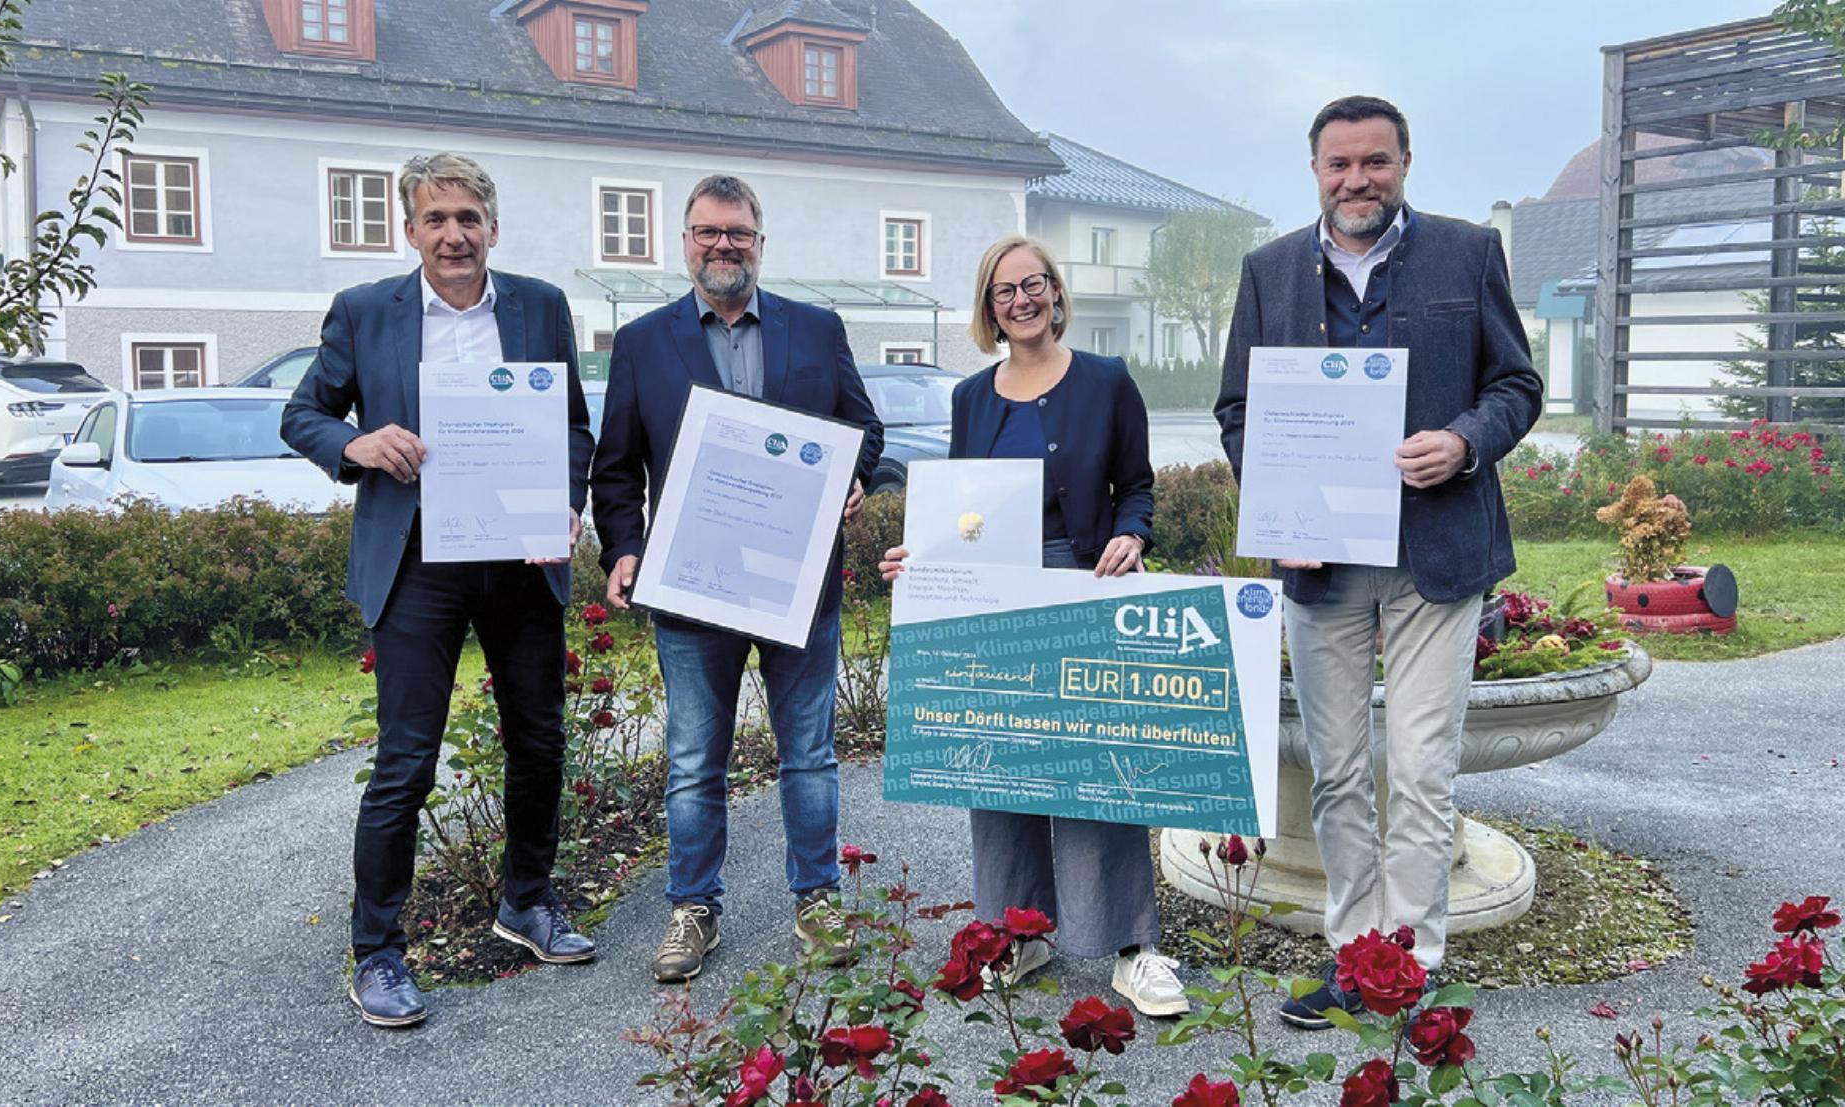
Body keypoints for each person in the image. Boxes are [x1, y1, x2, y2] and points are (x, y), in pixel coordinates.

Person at [1214, 96, 1543, 1029]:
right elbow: (1239, 409)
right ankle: (1355, 954)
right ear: (1314, 169)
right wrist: (1278, 496)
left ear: (1405, 162)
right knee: (1338, 771)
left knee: (1425, 766)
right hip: (1322, 565)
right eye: (1338, 165)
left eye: (1375, 162)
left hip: (1437, 553)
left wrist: (1466, 443)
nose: (1357, 180)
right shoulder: (1271, 269)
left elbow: (1516, 384)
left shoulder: (1467, 251)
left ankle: (1412, 961)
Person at [282, 152, 597, 1027]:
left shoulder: (540, 305)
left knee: (538, 739)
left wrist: (564, 502)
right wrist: (359, 443)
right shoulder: (364, 313)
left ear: (492, 226)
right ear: (408, 229)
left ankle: (526, 903)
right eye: (436, 218)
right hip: (418, 558)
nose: (454, 234)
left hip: (520, 556)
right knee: (405, 760)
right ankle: (377, 951)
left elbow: (573, 424)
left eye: (468, 217)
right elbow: (301, 413)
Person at [877, 235, 1187, 1018]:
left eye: (1034, 284)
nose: (1021, 300)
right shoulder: (971, 399)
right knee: (1001, 765)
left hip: (1082, 581)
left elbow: (1138, 488)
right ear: (988, 307)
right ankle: (1020, 932)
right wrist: (919, 561)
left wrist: (1133, 533)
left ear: (1055, 291)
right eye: (1004, 291)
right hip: (995, 593)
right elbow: (957, 508)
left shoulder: (1108, 382)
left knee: (1096, 764)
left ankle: (1131, 948)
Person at [588, 174, 883, 983]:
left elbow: (863, 428)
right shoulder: (643, 342)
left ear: (761, 242)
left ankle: (818, 900)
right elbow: (614, 470)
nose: (724, 245)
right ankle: (694, 908)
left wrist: (854, 473)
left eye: (739, 234)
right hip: (692, 588)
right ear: (685, 242)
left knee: (809, 754)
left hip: (798, 583)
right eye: (708, 232)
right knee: (693, 759)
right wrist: (622, 546)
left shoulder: (817, 330)